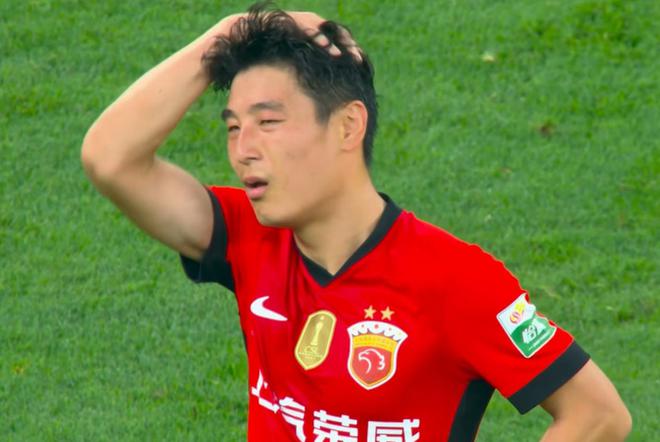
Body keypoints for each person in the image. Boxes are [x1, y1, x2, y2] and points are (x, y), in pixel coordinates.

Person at [81, 3, 632, 441]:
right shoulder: (248, 236)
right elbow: (111, 158)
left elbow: (599, 415)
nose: (243, 149)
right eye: (232, 127)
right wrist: (232, 31)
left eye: (267, 122)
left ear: (348, 127)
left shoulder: (453, 278)